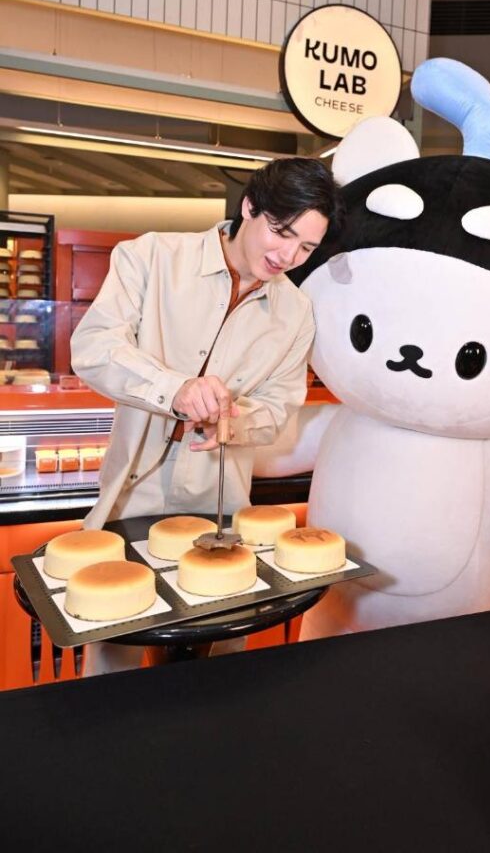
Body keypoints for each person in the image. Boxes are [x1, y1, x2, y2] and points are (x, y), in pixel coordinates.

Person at [70, 156, 343, 673]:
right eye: (281, 232)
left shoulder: (296, 311)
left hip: (221, 503)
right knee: (113, 653)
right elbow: (93, 347)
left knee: (217, 663)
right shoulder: (151, 257)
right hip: (132, 494)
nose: (287, 256)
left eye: (307, 248)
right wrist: (175, 389)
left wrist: (233, 420)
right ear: (249, 207)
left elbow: (280, 407)